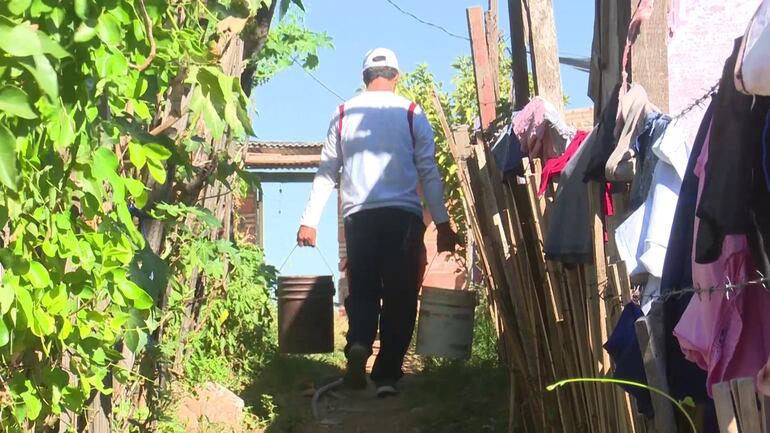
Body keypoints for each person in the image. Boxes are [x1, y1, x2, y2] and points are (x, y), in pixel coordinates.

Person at [296, 48, 458, 398]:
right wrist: (443, 224)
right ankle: (386, 376)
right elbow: (429, 172)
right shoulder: (413, 112)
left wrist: (309, 221)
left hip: (359, 218)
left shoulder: (342, 112)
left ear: (364, 78)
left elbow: (327, 173)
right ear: (396, 77)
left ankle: (358, 343)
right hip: (403, 218)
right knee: (401, 295)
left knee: (364, 288)